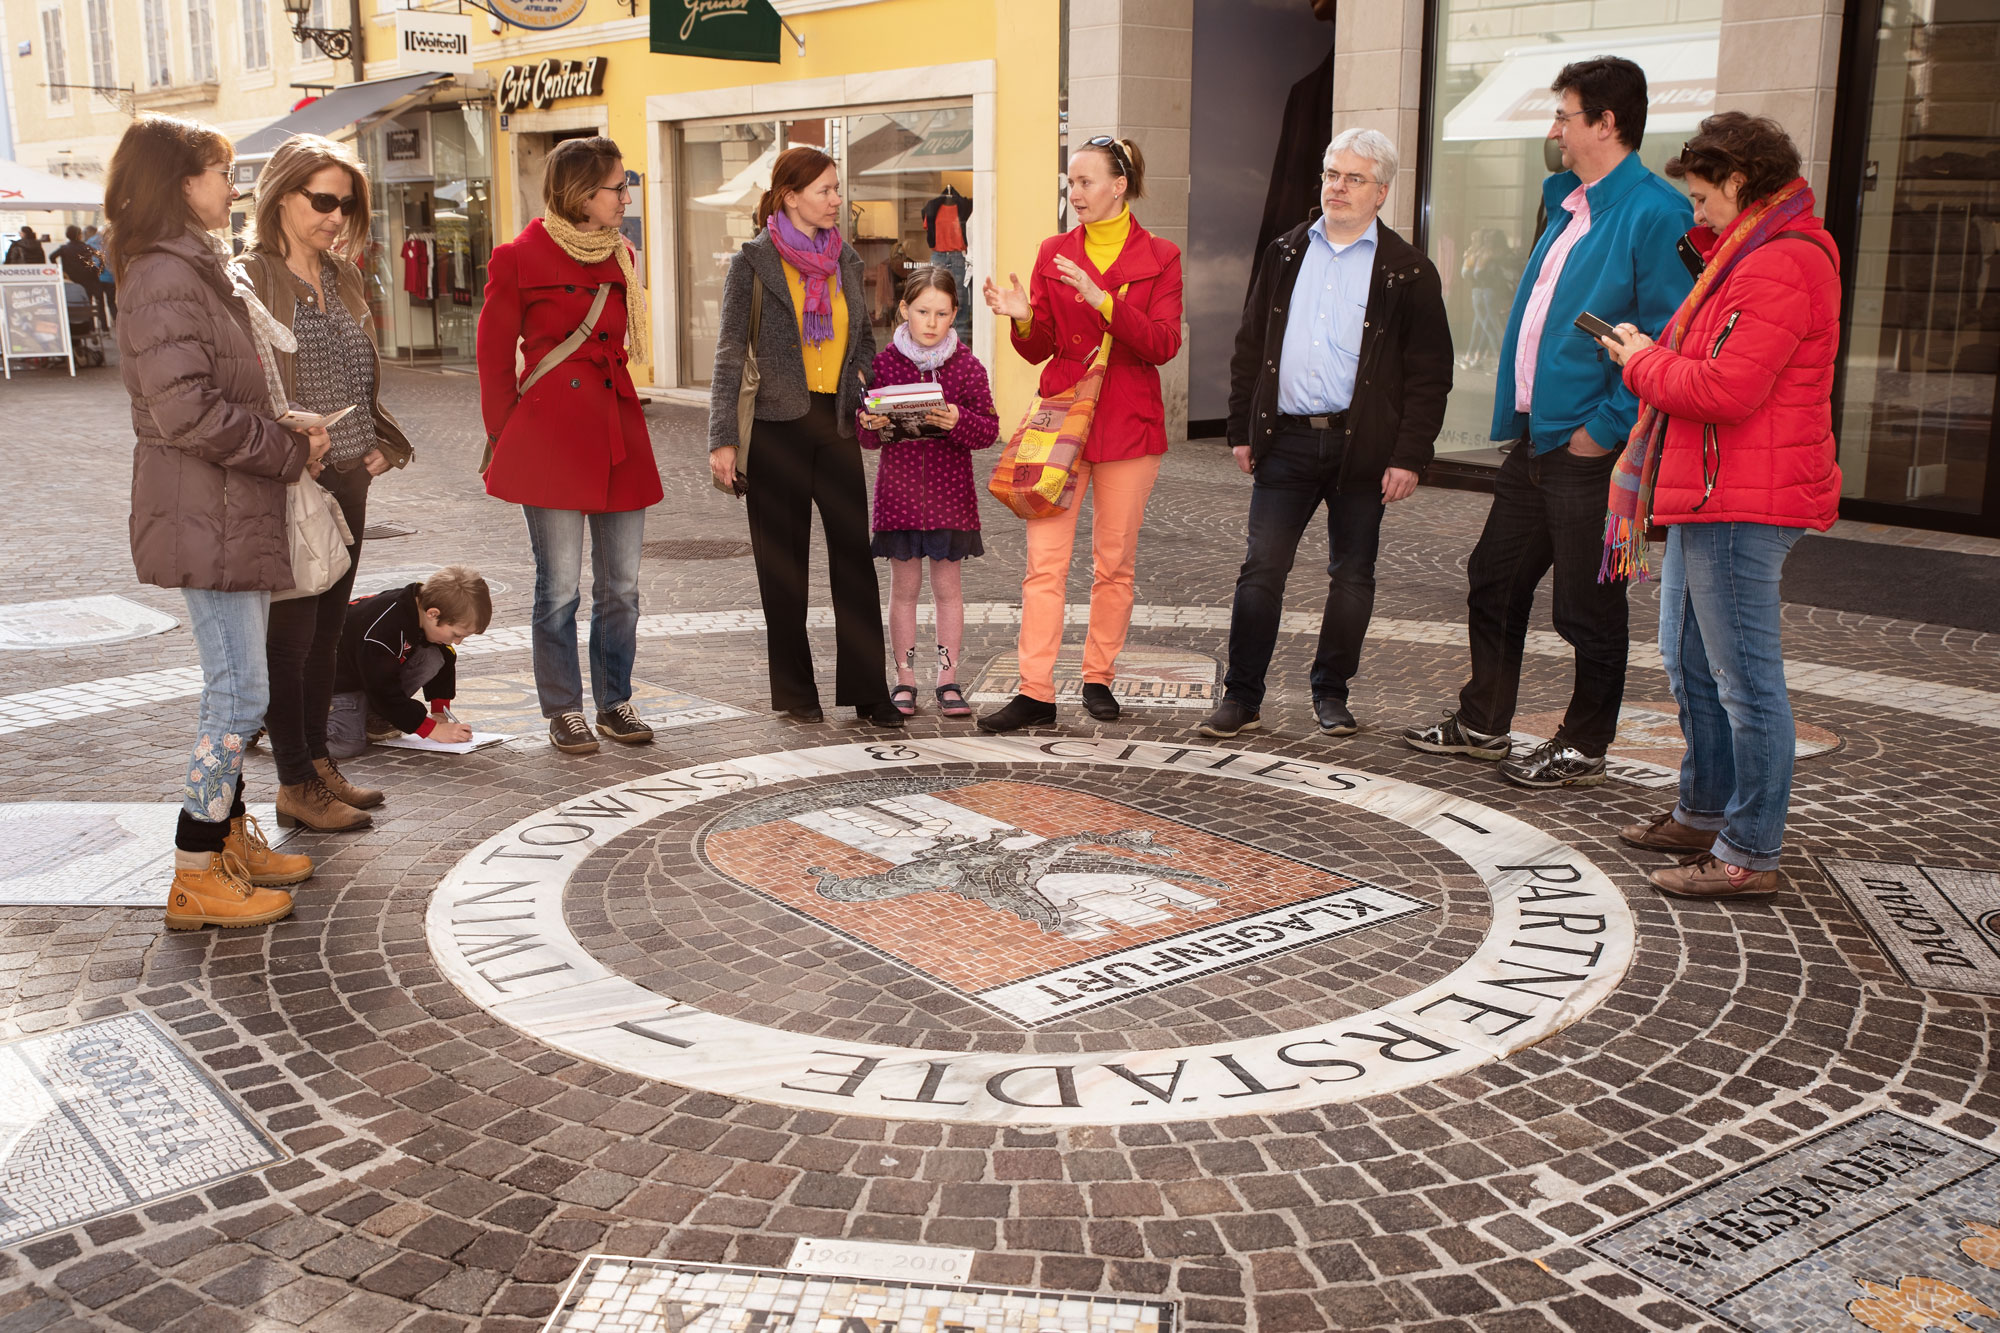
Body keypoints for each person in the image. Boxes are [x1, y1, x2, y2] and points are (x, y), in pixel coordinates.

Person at [1404, 56, 1693, 789]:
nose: (1554, 128)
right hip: (1537, 436)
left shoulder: (1655, 212)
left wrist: (1606, 426)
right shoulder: (1571, 203)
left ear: (1606, 122)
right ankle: (1483, 723)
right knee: (1493, 579)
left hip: (1589, 445)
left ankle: (1585, 742)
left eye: (1565, 114)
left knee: (1586, 605)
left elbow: (1667, 334)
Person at [1593, 113, 1841, 899]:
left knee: (1745, 681)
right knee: (1692, 661)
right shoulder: (1748, 254)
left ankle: (1747, 852)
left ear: (1739, 183)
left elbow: (1726, 389)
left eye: (1702, 198)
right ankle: (1704, 811)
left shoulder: (1777, 264)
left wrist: (1640, 362)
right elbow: (1712, 364)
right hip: (1716, 490)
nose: (1694, 213)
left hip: (1743, 497)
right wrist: (1654, 353)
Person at [109, 112, 328, 929]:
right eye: (219, 172)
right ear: (180, 182)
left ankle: (231, 838)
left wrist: (286, 421)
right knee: (238, 697)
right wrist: (282, 447)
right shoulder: (165, 276)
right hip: (209, 507)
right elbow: (187, 413)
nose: (231, 186)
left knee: (236, 687)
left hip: (228, 505)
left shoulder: (196, 267)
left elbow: (220, 393)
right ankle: (197, 865)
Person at [1199, 128, 1452, 740]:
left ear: (1382, 192)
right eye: (1331, 174)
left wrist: (1410, 454)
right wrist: (1240, 428)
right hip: (1284, 441)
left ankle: (1331, 692)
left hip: (1362, 449)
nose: (1337, 187)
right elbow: (1250, 344)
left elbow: (1429, 374)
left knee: (1353, 575)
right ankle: (1242, 696)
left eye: (1353, 178)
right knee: (1261, 568)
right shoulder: (1285, 252)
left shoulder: (1407, 271)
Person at [977, 135, 1185, 732]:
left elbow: (1164, 344)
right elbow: (1040, 345)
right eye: (1070, 183)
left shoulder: (1162, 256)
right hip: (1060, 416)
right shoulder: (1052, 251)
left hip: (1128, 421)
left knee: (1113, 562)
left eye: (1085, 182)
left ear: (1119, 186)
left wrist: (1103, 301)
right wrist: (1022, 317)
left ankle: (1099, 677)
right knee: (1045, 564)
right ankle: (1035, 692)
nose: (1075, 193)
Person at [238, 134, 414, 832]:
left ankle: (316, 765)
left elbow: (357, 371)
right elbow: (251, 382)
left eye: (345, 203)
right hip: (292, 479)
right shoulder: (250, 278)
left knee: (328, 629)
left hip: (347, 475)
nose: (336, 215)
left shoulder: (342, 276)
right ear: (281, 195)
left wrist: (382, 443)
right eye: (322, 201)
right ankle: (293, 779)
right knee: (292, 639)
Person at [707, 146, 904, 729]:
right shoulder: (753, 263)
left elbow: (862, 338)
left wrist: (862, 385)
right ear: (790, 196)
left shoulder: (842, 257)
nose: (836, 199)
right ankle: (795, 691)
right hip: (774, 430)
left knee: (854, 562)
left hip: (835, 426)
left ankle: (869, 692)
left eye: (837, 188)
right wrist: (723, 439)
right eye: (825, 190)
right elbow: (727, 353)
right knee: (782, 566)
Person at [478, 136, 662, 755]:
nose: (625, 197)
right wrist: (508, 436)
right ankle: (563, 708)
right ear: (583, 193)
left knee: (624, 586)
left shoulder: (622, 255)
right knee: (558, 586)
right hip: (551, 437)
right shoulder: (519, 256)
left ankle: (614, 701)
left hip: (616, 429)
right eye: (617, 187)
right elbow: (493, 357)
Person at [856, 265, 1000, 718]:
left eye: (941, 313)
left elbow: (989, 431)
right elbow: (866, 437)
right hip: (898, 499)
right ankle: (904, 678)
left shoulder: (968, 367)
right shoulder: (883, 365)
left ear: (955, 313)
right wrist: (868, 423)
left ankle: (947, 679)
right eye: (922, 311)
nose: (932, 322)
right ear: (904, 310)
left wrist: (960, 421)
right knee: (904, 589)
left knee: (947, 589)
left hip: (951, 497)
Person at [328, 567, 491, 762]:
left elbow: (445, 658)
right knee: (347, 743)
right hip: (333, 684)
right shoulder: (383, 631)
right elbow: (383, 690)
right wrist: (433, 730)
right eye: (457, 634)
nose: (458, 642)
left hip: (368, 676)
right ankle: (291, 732)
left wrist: (439, 711)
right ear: (433, 614)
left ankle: (373, 716)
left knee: (434, 655)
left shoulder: (420, 607)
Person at [1461, 230, 1516, 371]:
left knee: (1490, 327)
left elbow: (1474, 273)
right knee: (1487, 325)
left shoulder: (1485, 254)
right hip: (1496, 293)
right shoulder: (1505, 254)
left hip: (1484, 292)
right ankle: (1478, 356)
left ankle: (1497, 357)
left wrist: (1474, 262)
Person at [52, 225, 100, 290]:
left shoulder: (64, 248)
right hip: (86, 277)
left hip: (70, 277)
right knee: (86, 297)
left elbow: (51, 257)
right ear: (79, 235)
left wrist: (60, 271)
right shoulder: (86, 247)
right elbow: (99, 256)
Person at [86, 225, 117, 324]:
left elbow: (90, 262)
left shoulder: (89, 243)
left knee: (100, 304)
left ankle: (104, 329)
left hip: (96, 278)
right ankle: (117, 324)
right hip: (111, 278)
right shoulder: (111, 243)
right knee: (111, 303)